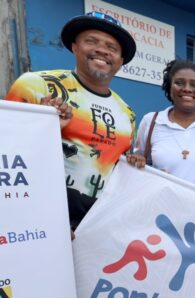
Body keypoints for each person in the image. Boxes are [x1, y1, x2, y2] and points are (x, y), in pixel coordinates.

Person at [5, 12, 137, 229]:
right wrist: (42, 128)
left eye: (112, 48)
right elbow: (7, 152)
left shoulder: (127, 113)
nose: (102, 50)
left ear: (121, 61)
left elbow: (119, 170)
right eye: (91, 41)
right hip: (41, 218)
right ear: (74, 47)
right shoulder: (36, 85)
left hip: (98, 224)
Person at [127, 60, 195, 189]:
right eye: (179, 83)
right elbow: (139, 162)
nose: (187, 89)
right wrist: (138, 161)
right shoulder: (151, 121)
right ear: (169, 88)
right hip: (160, 201)